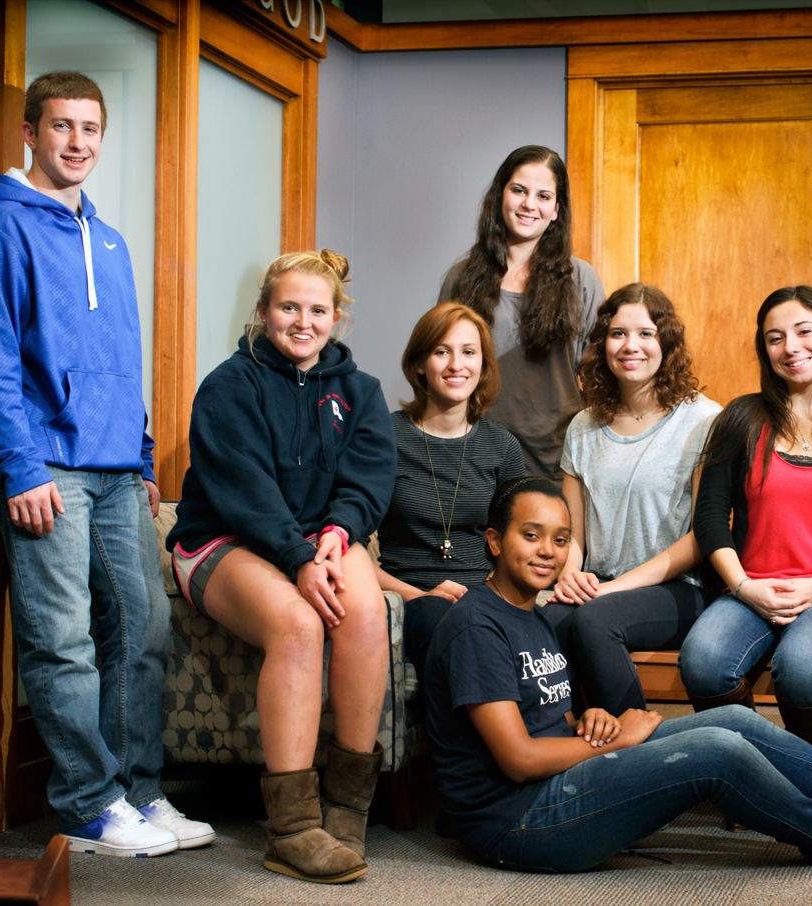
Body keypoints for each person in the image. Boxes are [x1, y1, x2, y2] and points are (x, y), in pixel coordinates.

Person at [423, 477, 812, 873]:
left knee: (732, 720)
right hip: (518, 823)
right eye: (530, 537)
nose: (548, 551)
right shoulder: (477, 626)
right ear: (495, 542)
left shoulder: (534, 614)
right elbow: (519, 758)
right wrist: (620, 738)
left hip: (558, 780)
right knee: (714, 753)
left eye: (559, 539)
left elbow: (545, 710)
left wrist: (589, 718)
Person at [0, 71, 212, 858]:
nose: (77, 143)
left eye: (90, 129)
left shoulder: (108, 238)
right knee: (61, 639)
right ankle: (87, 806)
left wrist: (138, 456)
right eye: (61, 126)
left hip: (114, 470)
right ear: (30, 133)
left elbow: (121, 359)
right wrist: (17, 466)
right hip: (43, 466)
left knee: (145, 627)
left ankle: (136, 791)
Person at [167, 250, 397, 883]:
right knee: (299, 625)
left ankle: (347, 807)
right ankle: (292, 828)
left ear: (336, 317)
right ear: (264, 310)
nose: (303, 322)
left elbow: (368, 481)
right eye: (288, 307)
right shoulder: (227, 385)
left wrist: (338, 533)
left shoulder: (360, 392)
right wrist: (298, 557)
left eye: (317, 310)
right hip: (223, 539)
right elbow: (244, 489)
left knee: (365, 609)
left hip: (317, 538)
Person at [679, 286, 812, 756]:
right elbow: (711, 516)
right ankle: (752, 770)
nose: (791, 347)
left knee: (800, 667)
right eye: (775, 338)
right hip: (751, 588)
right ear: (765, 349)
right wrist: (743, 586)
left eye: (803, 331)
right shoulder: (742, 418)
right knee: (702, 660)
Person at [548, 283, 721, 714]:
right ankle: (568, 748)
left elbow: (703, 536)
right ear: (603, 342)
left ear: (666, 342)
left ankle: (638, 746)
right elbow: (572, 531)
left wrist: (613, 590)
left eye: (646, 333)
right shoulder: (583, 427)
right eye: (618, 333)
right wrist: (570, 574)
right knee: (538, 623)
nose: (632, 346)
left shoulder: (704, 420)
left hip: (679, 588)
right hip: (599, 584)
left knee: (594, 621)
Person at [374, 302, 524, 674]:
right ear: (420, 364)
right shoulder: (383, 437)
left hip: (484, 596)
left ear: (483, 366)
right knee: (439, 614)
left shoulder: (503, 447)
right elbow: (352, 548)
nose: (457, 364)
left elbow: (517, 542)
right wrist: (418, 595)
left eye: (469, 352)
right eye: (442, 351)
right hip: (408, 599)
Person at [439, 145, 605, 481]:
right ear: (501, 196)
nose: (530, 204)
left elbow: (602, 374)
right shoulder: (462, 277)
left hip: (559, 457)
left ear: (557, 209)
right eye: (519, 190)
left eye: (543, 196)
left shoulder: (582, 279)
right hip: (474, 452)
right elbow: (439, 365)